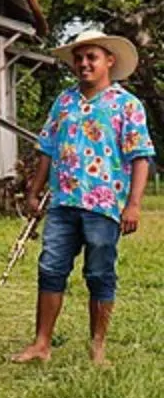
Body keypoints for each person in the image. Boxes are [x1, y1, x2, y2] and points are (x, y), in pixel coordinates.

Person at [12, 31, 154, 366]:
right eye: (79, 58)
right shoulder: (64, 101)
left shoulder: (126, 105)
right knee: (50, 268)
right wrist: (34, 191)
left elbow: (141, 157)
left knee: (100, 273)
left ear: (109, 61)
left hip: (103, 206)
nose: (84, 64)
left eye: (92, 57)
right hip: (63, 203)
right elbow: (46, 149)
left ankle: (98, 347)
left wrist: (133, 204)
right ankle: (41, 343)